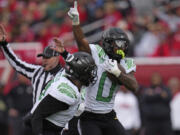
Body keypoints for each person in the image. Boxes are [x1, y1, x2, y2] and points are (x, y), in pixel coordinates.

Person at [68, 1, 138, 135]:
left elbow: (134, 86)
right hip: (89, 115)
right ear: (108, 43)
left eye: (124, 44)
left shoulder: (126, 62)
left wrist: (118, 73)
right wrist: (76, 22)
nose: (121, 48)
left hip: (109, 114)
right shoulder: (97, 52)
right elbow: (82, 43)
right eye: (118, 43)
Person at [30, 52, 97, 135]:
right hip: (41, 128)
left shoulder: (70, 79)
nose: (92, 75)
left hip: (52, 128)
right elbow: (37, 115)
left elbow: (73, 62)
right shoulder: (67, 92)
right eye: (89, 71)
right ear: (79, 72)